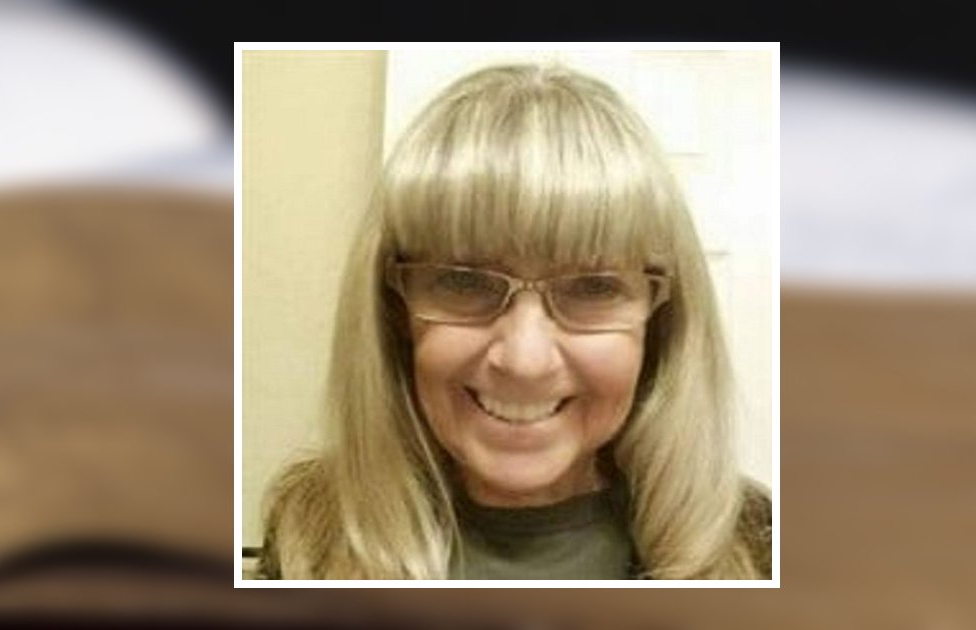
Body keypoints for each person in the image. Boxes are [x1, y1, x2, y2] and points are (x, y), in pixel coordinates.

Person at [258, 62, 771, 580]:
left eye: (593, 288)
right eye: (464, 282)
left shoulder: (757, 548)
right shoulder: (310, 536)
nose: (525, 361)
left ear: (658, 321)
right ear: (395, 312)